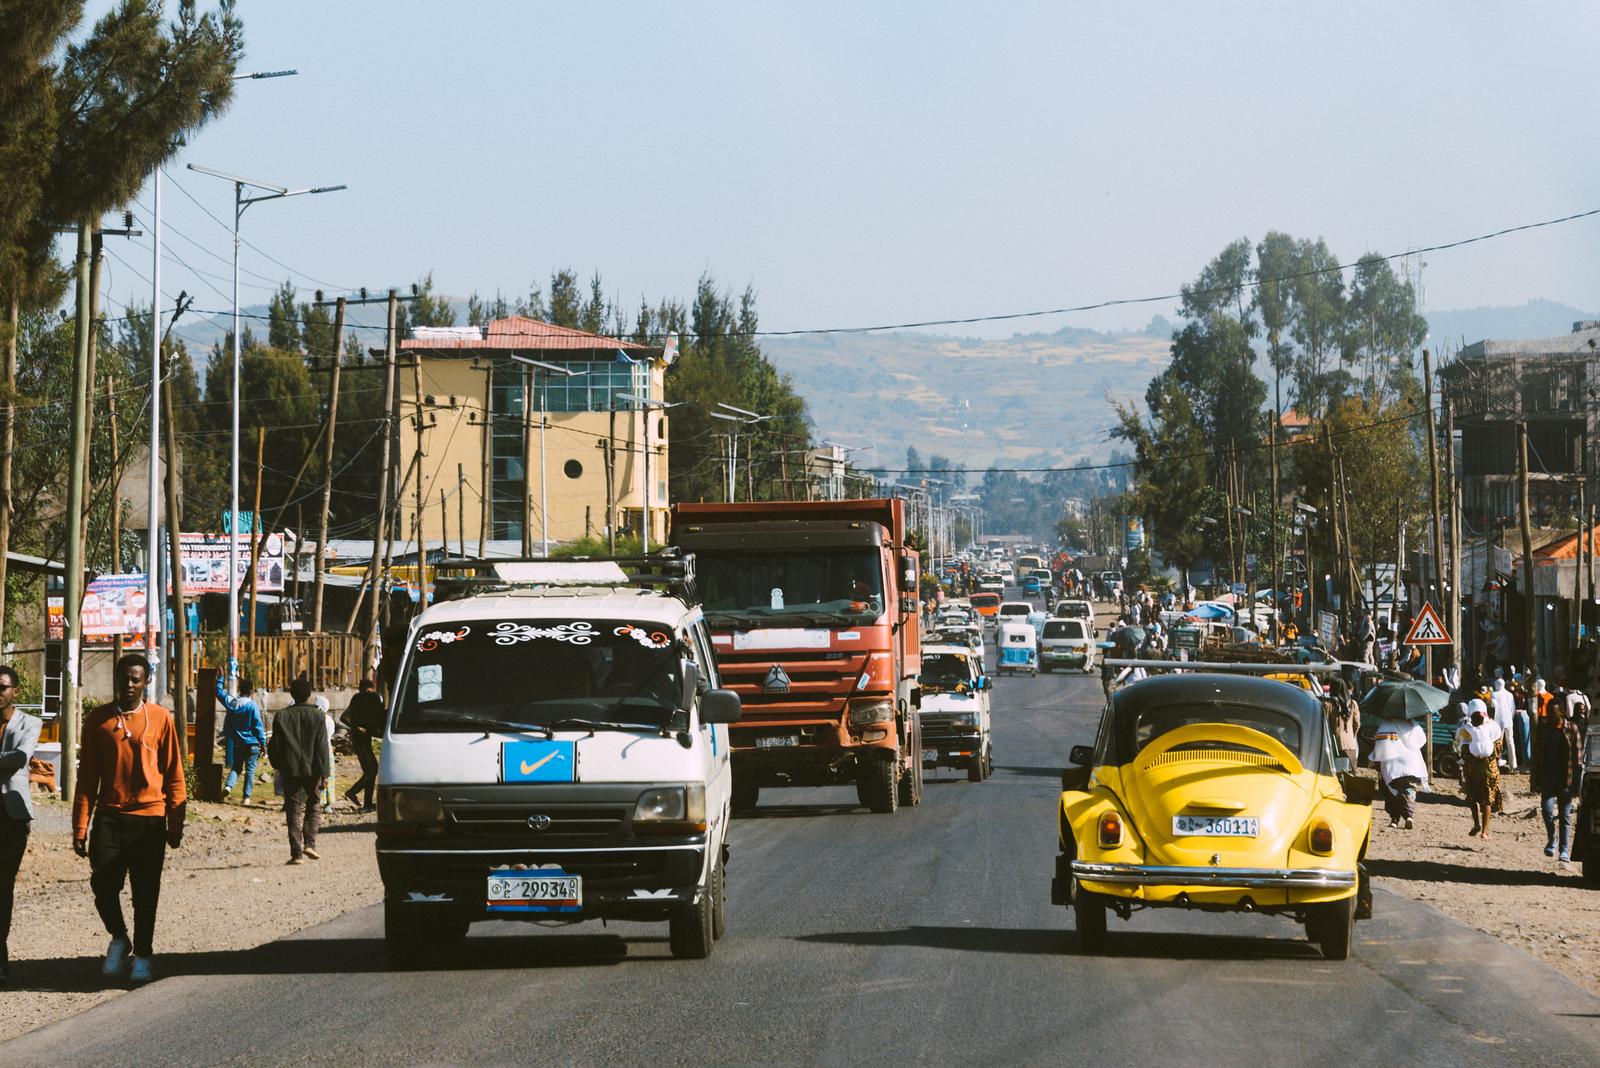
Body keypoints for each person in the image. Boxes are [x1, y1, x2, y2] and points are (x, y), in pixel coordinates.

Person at [72, 654, 185, 984]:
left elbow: (174, 774)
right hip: (109, 817)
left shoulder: (161, 718)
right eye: (124, 678)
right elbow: (87, 778)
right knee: (103, 884)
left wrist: (175, 823)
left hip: (150, 819)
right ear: (116, 680)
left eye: (136, 679)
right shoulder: (98, 720)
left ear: (146, 681)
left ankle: (144, 956)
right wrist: (81, 825)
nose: (129, 684)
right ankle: (120, 936)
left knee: (145, 892)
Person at [0, 664, 39, 985]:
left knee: (3, 885)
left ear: (15, 691)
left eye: (3, 687)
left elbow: (18, 759)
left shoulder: (30, 723)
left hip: (12, 816)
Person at [267, 677, 330, 865]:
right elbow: (322, 747)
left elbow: (274, 746)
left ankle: (296, 854)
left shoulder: (282, 716)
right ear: (309, 694)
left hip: (290, 768)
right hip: (313, 769)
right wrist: (325, 772)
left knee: (293, 809)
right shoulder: (319, 716)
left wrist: (277, 765)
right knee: (314, 803)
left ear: (292, 694)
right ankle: (310, 843)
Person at [1529, 698, 1583, 861]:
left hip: (1566, 779)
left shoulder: (1572, 729)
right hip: (1548, 778)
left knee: (1565, 816)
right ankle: (1552, 838)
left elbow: (1578, 758)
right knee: (1546, 810)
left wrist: (1577, 784)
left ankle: (1564, 850)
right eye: (1549, 712)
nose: (1551, 716)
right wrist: (1535, 779)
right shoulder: (1544, 729)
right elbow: (1537, 756)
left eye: (1554, 712)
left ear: (1562, 712)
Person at [1370, 715, 1428, 829]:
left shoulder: (1386, 723)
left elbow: (1381, 745)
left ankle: (1394, 820)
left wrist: (1376, 760)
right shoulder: (1413, 724)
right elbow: (1422, 740)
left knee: (1392, 792)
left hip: (1393, 763)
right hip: (1411, 761)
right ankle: (1408, 816)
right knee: (1409, 790)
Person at [216, 674, 266, 805]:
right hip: (252, 745)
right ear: (251, 691)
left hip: (238, 744)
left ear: (239, 689)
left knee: (236, 768)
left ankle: (228, 786)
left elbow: (219, 693)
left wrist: (221, 678)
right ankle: (246, 797)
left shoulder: (232, 703)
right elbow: (258, 726)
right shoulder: (252, 706)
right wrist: (263, 744)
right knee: (250, 770)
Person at [1457, 701, 1502, 838]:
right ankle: (1485, 831)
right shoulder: (1494, 727)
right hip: (1489, 768)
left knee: (1473, 798)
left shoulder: (1466, 729)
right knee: (1486, 799)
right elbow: (1498, 748)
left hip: (1472, 768)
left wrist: (1473, 757)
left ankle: (1477, 824)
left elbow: (1463, 749)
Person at [342, 678, 385, 811]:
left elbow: (345, 717)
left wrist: (357, 726)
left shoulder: (358, 698)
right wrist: (357, 727)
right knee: (372, 769)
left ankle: (367, 803)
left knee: (370, 770)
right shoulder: (363, 699)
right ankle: (352, 792)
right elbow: (345, 717)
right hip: (360, 740)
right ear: (369, 688)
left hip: (363, 739)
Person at [1326, 677, 1360, 764]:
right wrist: (1352, 735)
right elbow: (1357, 724)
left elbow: (1325, 725)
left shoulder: (1329, 705)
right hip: (1351, 745)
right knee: (1352, 773)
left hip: (1335, 745)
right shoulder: (1353, 704)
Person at [1490, 677, 1517, 771]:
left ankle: (1498, 761)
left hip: (1499, 720)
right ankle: (1513, 764)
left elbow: (1494, 707)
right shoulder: (1509, 694)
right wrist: (1510, 718)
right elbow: (1513, 708)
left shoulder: (1494, 694)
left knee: (1498, 741)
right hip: (1509, 720)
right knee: (1510, 741)